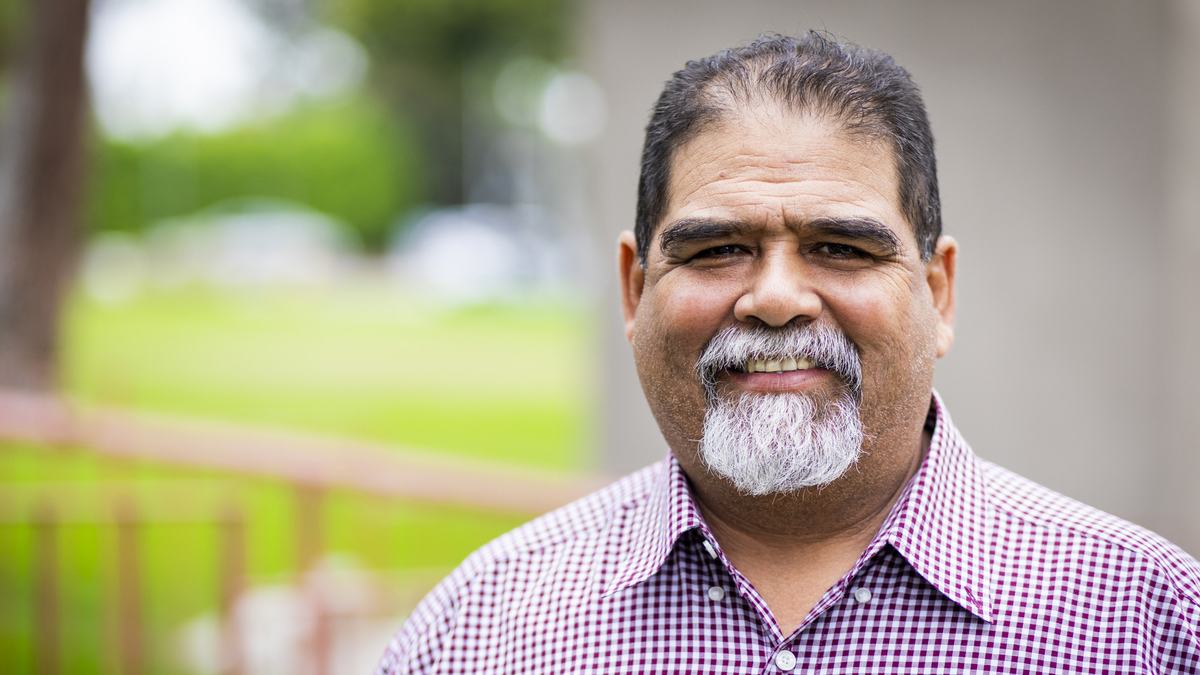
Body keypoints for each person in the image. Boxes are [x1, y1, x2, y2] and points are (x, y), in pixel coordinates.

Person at [375, 32, 1200, 674]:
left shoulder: (1148, 622)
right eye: (717, 248)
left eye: (841, 247)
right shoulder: (482, 627)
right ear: (633, 291)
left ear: (937, 293)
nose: (775, 297)